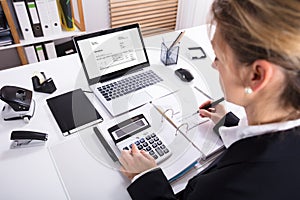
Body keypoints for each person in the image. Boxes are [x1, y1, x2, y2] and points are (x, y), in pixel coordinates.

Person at [118, 0, 300, 199]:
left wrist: (145, 177)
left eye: (219, 56)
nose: (214, 65)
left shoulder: (232, 185)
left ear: (256, 75)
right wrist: (229, 124)